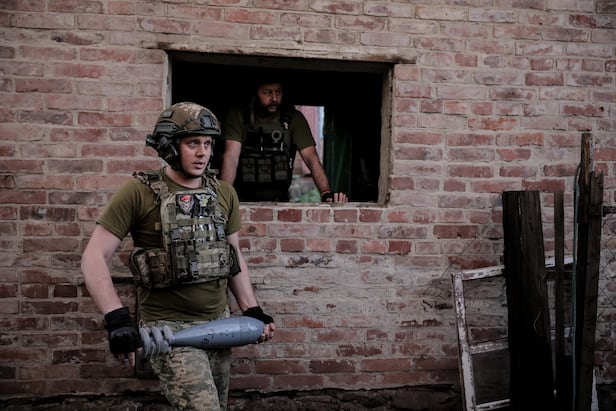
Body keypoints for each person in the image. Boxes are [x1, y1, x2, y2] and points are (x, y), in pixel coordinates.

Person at [81, 102, 275, 411]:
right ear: (169, 146)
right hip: (168, 329)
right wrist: (116, 318)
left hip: (219, 326)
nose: (203, 153)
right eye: (192, 143)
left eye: (208, 144)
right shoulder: (138, 191)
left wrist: (252, 309)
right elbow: (93, 257)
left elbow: (233, 255)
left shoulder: (223, 193)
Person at [219, 78, 348, 203]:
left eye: (278, 92)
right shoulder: (239, 115)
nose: (274, 99)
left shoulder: (293, 119)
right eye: (267, 93)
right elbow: (231, 157)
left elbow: (312, 159)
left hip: (280, 200)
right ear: (255, 93)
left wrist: (326, 193)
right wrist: (224, 199)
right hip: (242, 199)